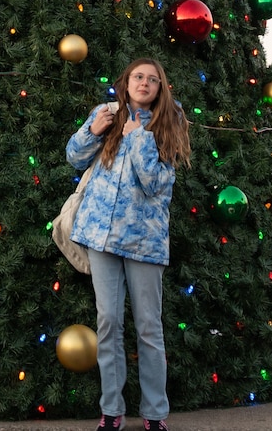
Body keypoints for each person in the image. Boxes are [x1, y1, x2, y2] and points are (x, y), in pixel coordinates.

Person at [63, 58, 189, 431]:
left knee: (148, 326)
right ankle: (112, 411)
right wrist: (92, 130)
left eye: (152, 79)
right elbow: (74, 157)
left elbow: (156, 184)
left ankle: (154, 414)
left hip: (144, 242)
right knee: (108, 322)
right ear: (127, 81)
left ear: (160, 88)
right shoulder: (107, 113)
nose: (145, 83)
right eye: (139, 76)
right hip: (101, 236)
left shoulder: (171, 121)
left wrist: (137, 138)